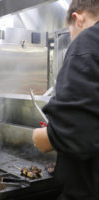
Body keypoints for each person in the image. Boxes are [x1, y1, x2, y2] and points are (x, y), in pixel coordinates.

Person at [32, 0, 99, 199]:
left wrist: (44, 137)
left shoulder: (89, 40)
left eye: (70, 34)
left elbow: (78, 131)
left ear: (78, 19)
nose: (73, 40)